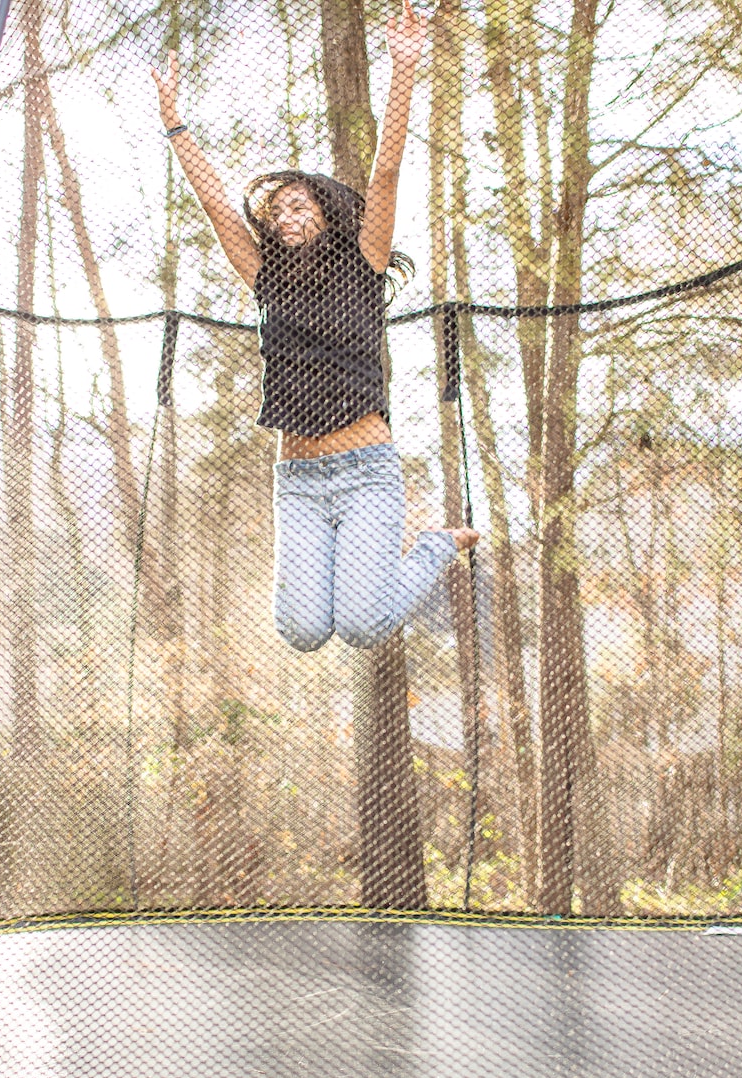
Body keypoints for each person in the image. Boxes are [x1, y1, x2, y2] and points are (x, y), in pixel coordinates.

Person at [151, 0, 479, 652]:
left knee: (362, 625)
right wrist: (174, 124)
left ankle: (437, 546)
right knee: (303, 632)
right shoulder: (266, 277)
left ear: (326, 211)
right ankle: (416, 552)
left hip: (366, 471)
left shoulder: (365, 259)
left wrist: (404, 66)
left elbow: (385, 170)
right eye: (275, 213)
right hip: (298, 481)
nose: (284, 216)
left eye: (297, 203)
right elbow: (220, 207)